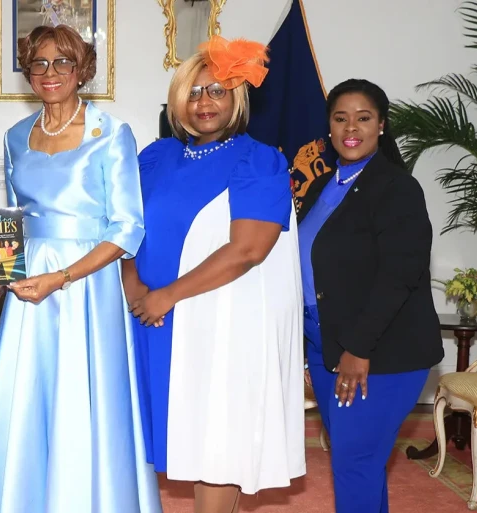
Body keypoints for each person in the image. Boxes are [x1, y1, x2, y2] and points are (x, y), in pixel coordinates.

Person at [0, 23, 163, 513]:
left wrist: (63, 277)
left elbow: (126, 229)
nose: (50, 72)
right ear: (28, 71)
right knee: (30, 392)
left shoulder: (111, 133)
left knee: (88, 394)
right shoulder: (15, 136)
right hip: (30, 285)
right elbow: (11, 220)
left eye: (63, 63)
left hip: (87, 285)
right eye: (39, 63)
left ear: (82, 71)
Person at [124, 36, 305, 513]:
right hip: (151, 322)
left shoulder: (259, 160)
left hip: (218, 321)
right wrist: (133, 286)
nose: (204, 102)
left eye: (217, 91)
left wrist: (167, 296)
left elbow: (248, 249)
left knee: (217, 439)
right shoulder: (154, 157)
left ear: (237, 98)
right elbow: (120, 229)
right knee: (176, 437)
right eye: (195, 92)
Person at [299, 78, 443, 512]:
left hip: (377, 354)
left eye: (363, 118)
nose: (351, 128)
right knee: (357, 461)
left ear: (381, 124)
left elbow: (400, 275)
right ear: (329, 126)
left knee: (355, 460)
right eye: (341, 118)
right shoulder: (320, 187)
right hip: (325, 347)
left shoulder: (396, 188)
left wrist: (357, 349)